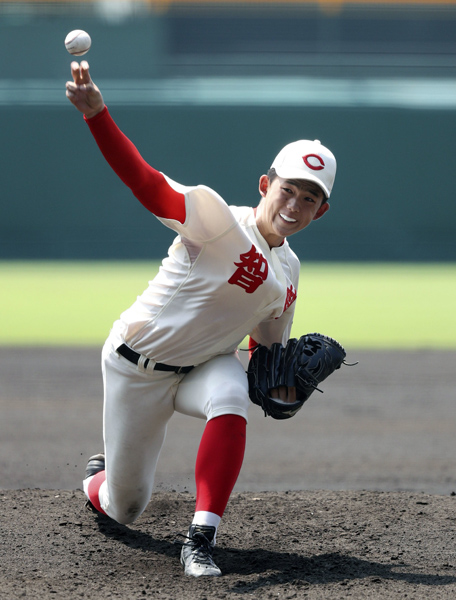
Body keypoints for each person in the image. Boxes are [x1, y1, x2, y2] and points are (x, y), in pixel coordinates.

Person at [65, 60, 337, 578]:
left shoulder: (290, 272)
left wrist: (280, 390)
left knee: (232, 395)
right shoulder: (216, 220)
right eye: (288, 189)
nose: (295, 204)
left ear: (319, 211)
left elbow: (264, 353)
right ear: (265, 184)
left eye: (310, 198)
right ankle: (99, 477)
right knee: (124, 506)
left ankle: (200, 540)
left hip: (205, 367)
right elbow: (147, 183)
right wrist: (97, 115)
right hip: (134, 366)